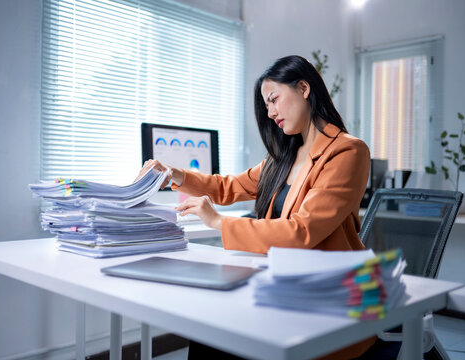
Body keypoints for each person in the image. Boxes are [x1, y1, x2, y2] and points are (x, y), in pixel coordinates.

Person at [139, 55, 373, 359]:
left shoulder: (347, 152)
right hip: (281, 279)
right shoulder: (283, 158)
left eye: (274, 99)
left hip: (329, 294)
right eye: (266, 105)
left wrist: (219, 222)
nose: (271, 112)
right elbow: (227, 187)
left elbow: (301, 232)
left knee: (223, 333)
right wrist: (175, 175)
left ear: (303, 88)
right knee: (210, 327)